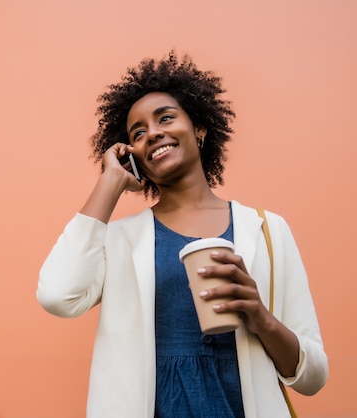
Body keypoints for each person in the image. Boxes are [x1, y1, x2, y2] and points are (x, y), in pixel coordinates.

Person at [37, 51, 328, 418]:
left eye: (166, 118)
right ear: (133, 157)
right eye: (138, 133)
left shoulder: (268, 230)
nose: (153, 133)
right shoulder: (119, 239)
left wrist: (261, 317)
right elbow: (57, 295)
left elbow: (313, 377)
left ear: (200, 129)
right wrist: (109, 183)